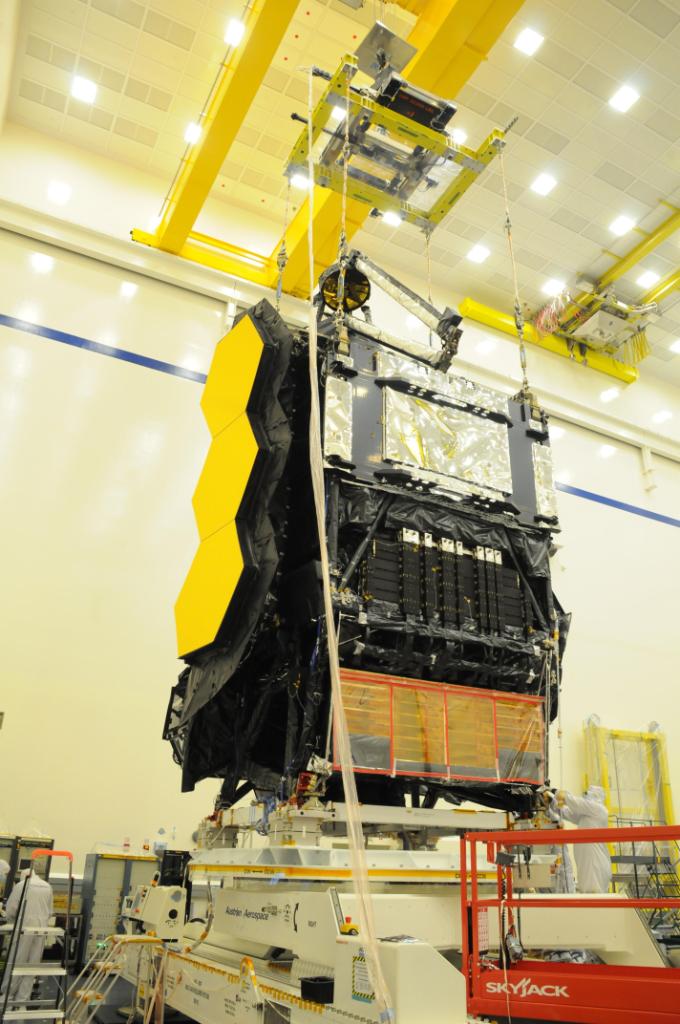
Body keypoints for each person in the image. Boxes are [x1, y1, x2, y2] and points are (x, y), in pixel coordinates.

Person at [2, 868, 54, 1007]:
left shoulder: (21, 885)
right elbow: (50, 911)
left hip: (24, 926)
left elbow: (11, 909)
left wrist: (11, 919)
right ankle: (23, 998)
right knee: (32, 963)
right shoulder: (47, 886)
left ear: (24, 876)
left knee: (17, 960)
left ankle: (8, 995)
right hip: (41, 928)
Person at [557, 785, 612, 894]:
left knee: (594, 892)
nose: (585, 797)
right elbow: (567, 813)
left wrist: (561, 794)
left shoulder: (599, 810)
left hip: (595, 861)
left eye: (587, 794)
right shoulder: (586, 814)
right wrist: (552, 802)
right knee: (587, 890)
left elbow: (578, 804)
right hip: (587, 860)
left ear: (595, 796)